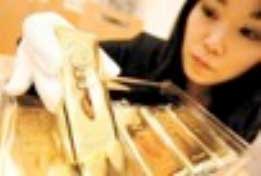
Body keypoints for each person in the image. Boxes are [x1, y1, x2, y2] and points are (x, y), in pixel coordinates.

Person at [4, 0, 261, 142]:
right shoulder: (141, 55)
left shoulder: (254, 128)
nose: (213, 43)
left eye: (249, 32)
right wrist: (49, 38)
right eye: (210, 11)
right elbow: (47, 68)